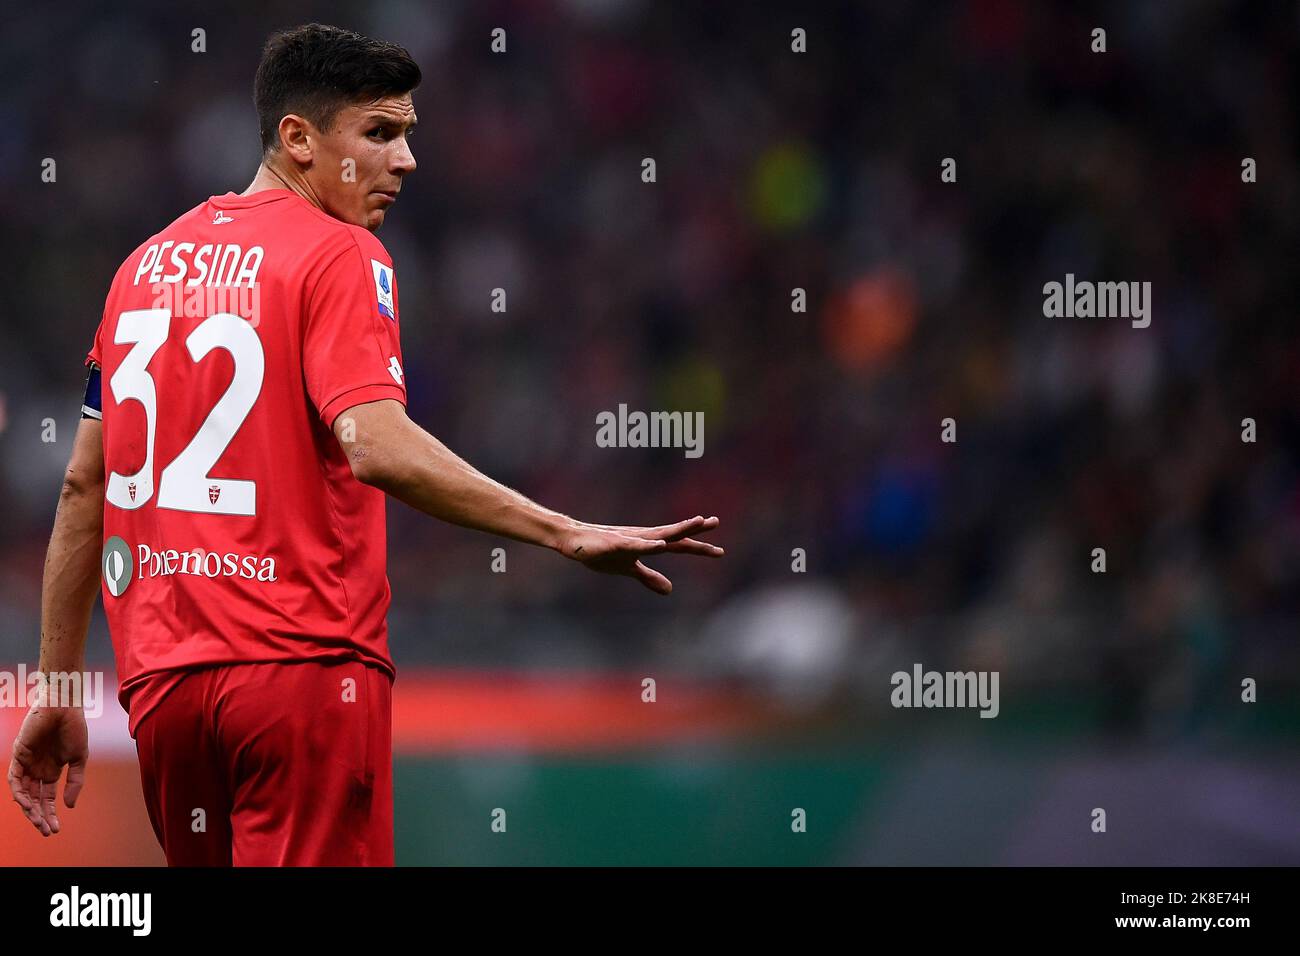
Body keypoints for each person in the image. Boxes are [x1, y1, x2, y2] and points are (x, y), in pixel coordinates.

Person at [7, 23, 722, 866]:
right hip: (303, 672)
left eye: (408, 135)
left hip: (162, 689)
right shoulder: (344, 253)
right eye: (380, 133)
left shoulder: (139, 272)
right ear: (299, 140)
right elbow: (374, 445)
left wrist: (56, 685)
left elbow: (83, 488)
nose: (406, 160)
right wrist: (564, 530)